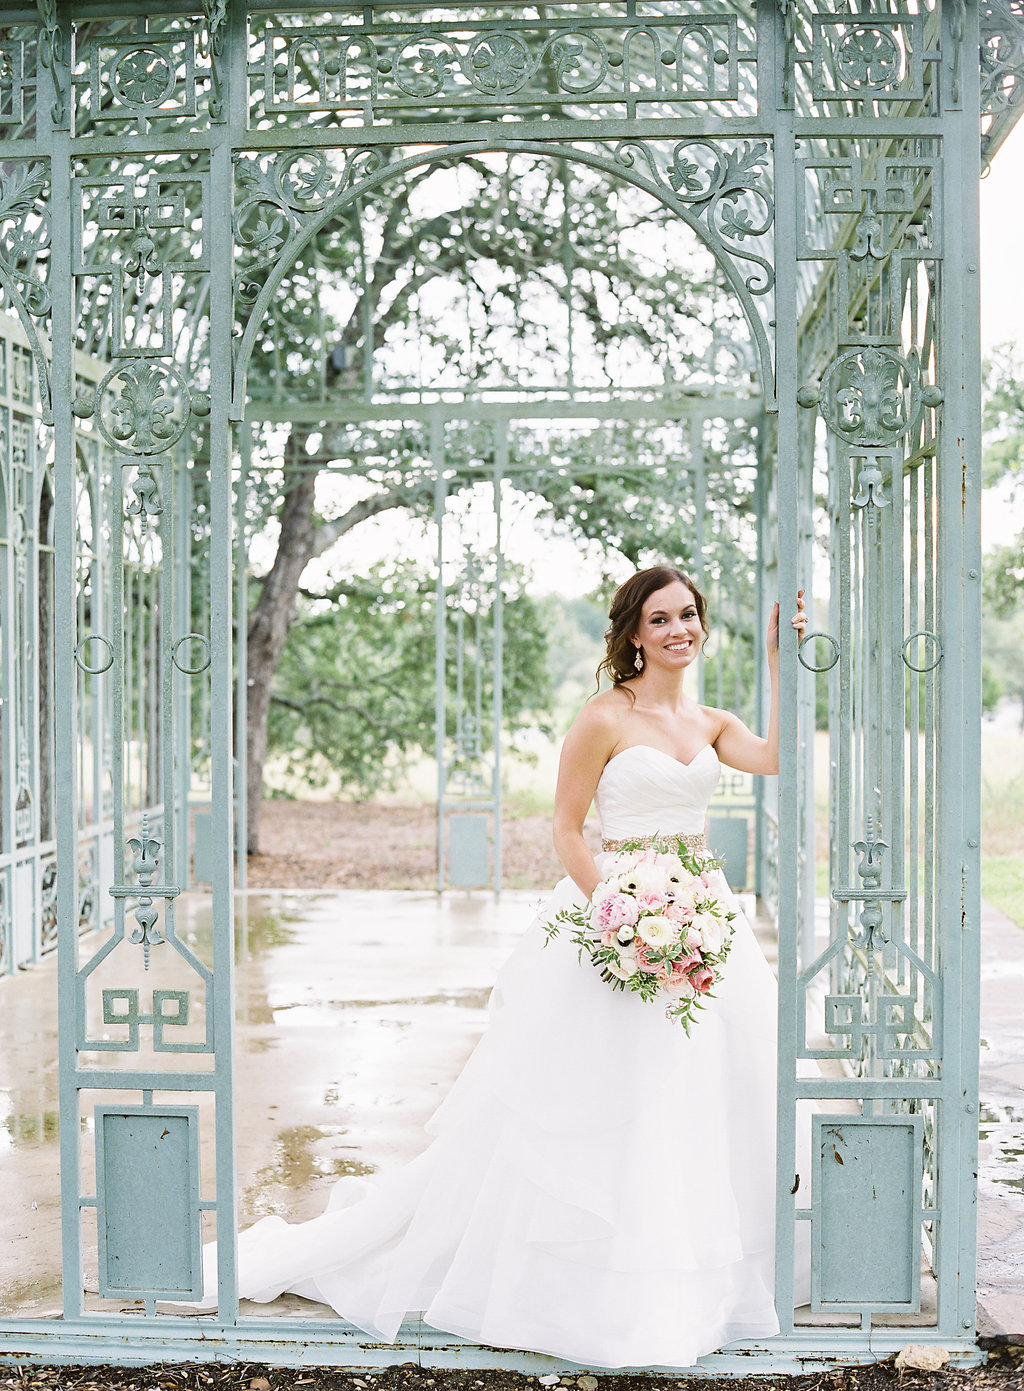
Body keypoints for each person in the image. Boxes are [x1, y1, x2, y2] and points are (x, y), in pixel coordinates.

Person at [189, 565, 808, 1370]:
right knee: (606, 1099)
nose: (678, 630)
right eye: (660, 618)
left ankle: (691, 1276)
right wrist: (618, 913)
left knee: (701, 1091)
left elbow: (778, 757)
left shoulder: (713, 721)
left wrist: (780, 662)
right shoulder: (603, 717)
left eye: (688, 614)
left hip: (702, 920)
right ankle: (586, 1281)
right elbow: (567, 828)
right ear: (633, 632)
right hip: (615, 918)